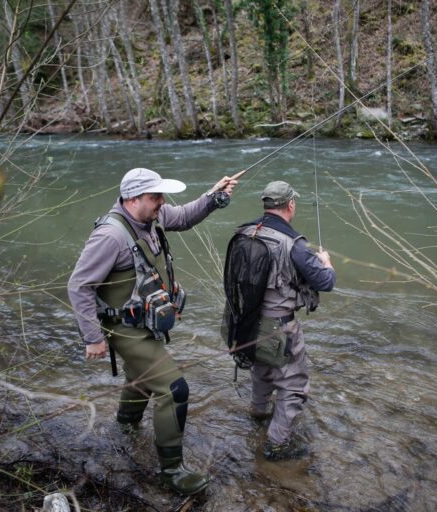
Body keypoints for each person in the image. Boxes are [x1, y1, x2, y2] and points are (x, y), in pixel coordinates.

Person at [67, 167, 237, 495]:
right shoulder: (110, 236)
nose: (162, 201)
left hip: (143, 323)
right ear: (132, 199)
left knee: (142, 377)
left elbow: (186, 216)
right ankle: (171, 472)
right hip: (124, 329)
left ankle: (126, 426)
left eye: (162, 195)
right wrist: (93, 338)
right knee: (174, 390)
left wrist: (214, 198)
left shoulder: (151, 218)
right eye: (155, 196)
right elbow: (79, 285)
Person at [233, 180, 335, 461]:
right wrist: (326, 262)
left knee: (262, 370)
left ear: (265, 205)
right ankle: (276, 445)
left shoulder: (244, 232)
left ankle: (258, 413)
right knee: (293, 387)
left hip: (246, 322)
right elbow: (325, 282)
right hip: (280, 327)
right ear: (290, 205)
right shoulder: (295, 245)